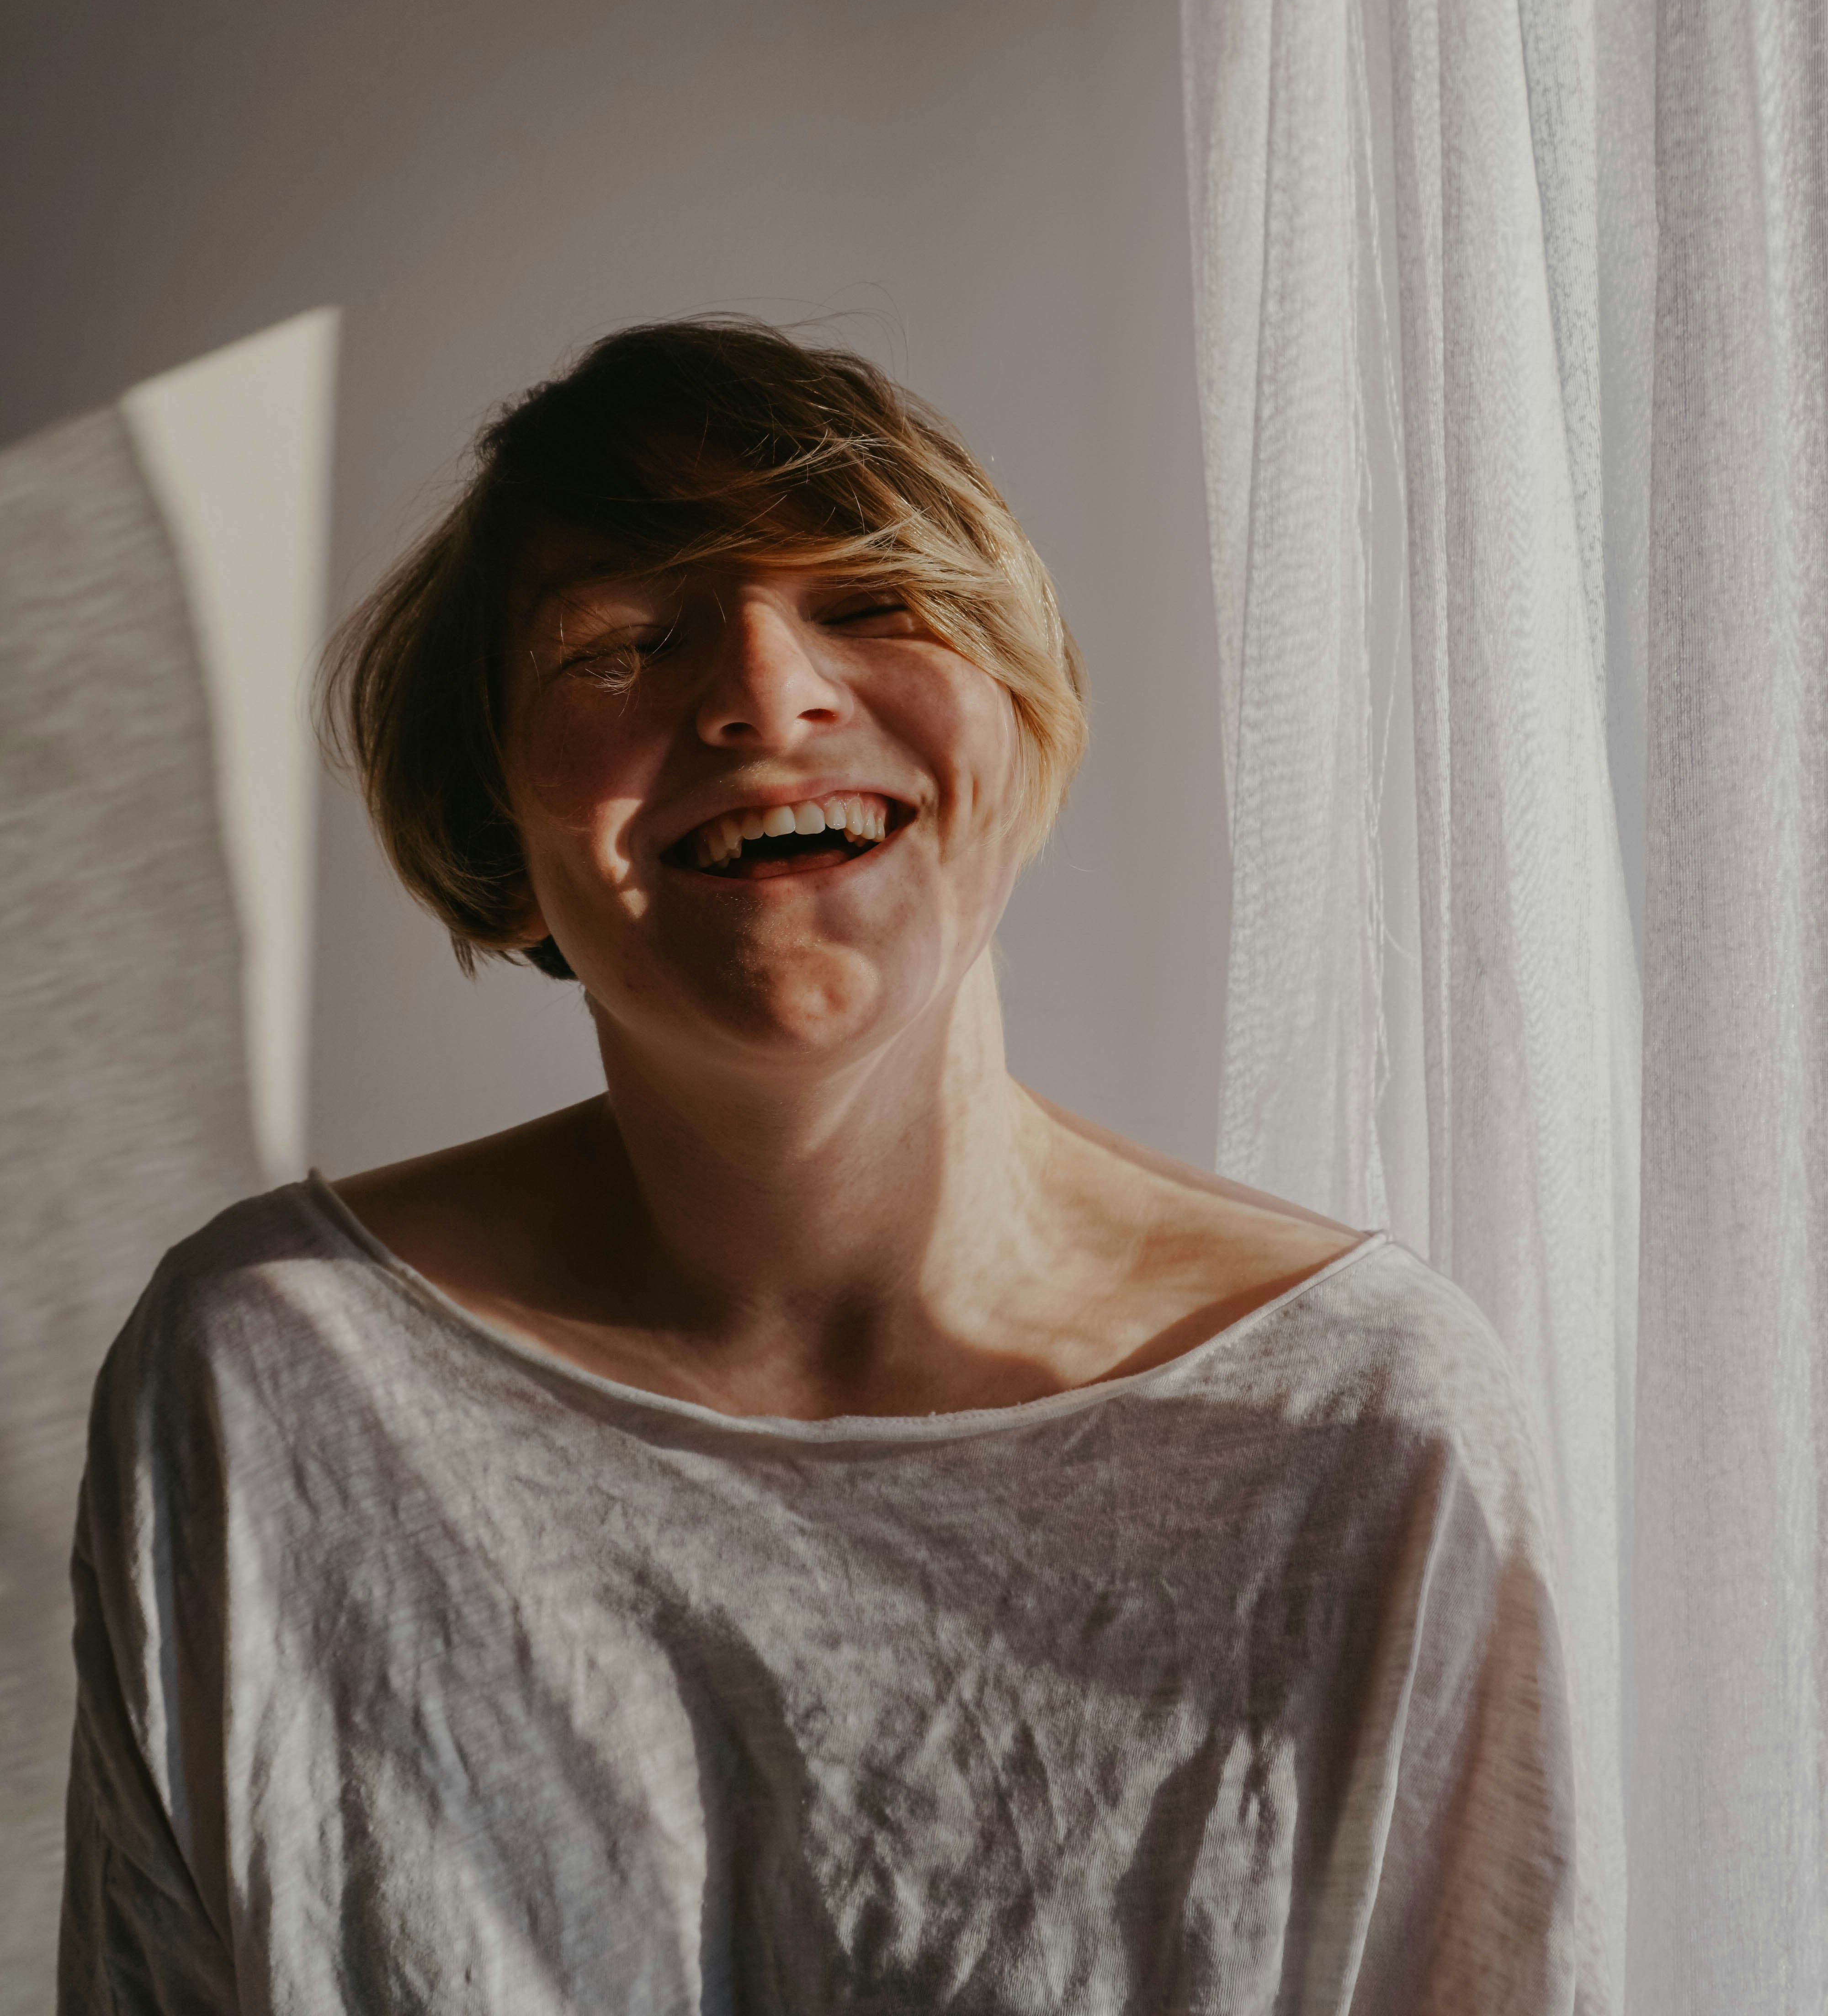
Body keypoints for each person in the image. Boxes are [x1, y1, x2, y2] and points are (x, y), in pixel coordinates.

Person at [59, 319, 1602, 2013]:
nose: (764, 694)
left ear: (1023, 716)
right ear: (495, 809)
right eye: (619, 645)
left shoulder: (1364, 1422)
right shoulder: (268, 1381)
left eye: (870, 602)